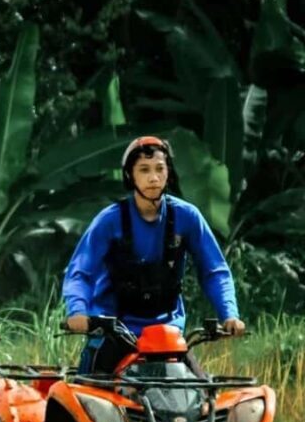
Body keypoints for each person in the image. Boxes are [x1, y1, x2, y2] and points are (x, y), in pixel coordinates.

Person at [63, 135, 245, 373]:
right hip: (115, 332)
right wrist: (77, 312)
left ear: (168, 172)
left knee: (203, 398)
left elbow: (214, 271)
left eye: (160, 169)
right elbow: (80, 273)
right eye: (144, 170)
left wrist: (229, 314)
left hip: (168, 335)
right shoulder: (109, 220)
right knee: (87, 399)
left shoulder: (187, 217)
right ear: (130, 175)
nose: (153, 177)